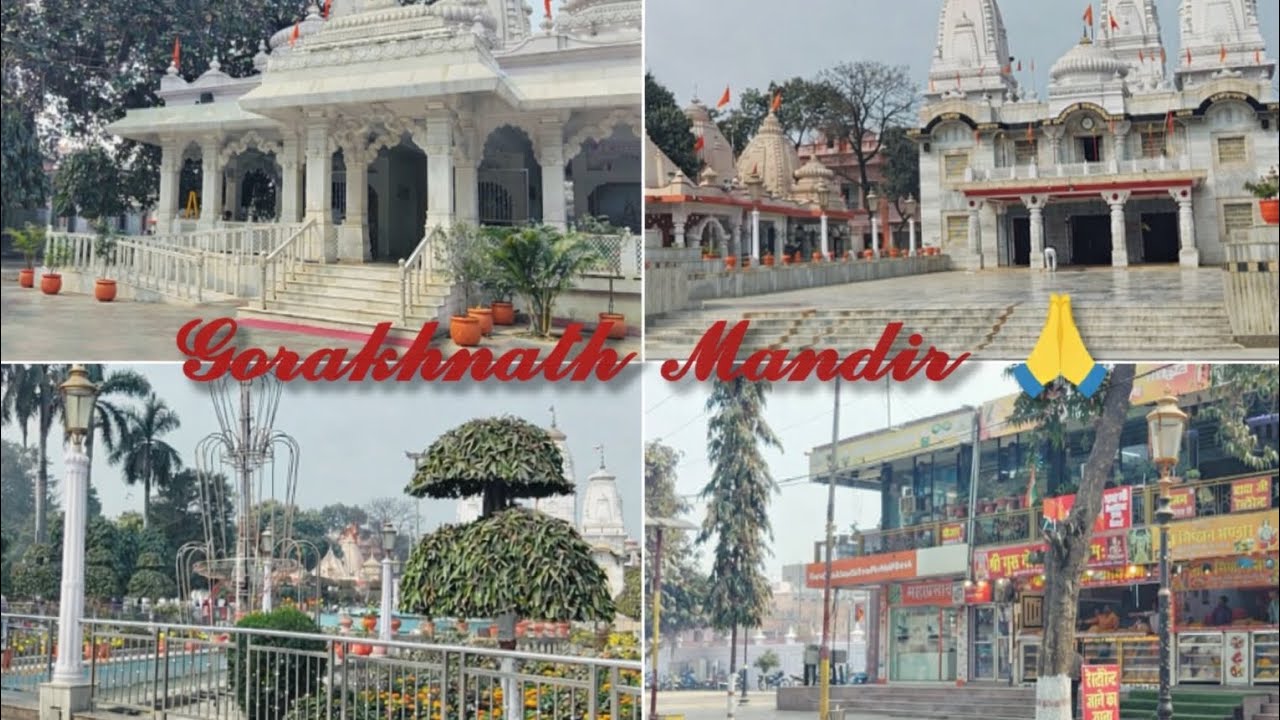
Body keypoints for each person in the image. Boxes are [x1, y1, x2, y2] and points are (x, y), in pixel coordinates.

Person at [1070, 650, 1083, 719]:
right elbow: (1082, 670)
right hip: (1075, 680)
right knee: (1074, 698)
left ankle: (1067, 713)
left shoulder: (1067, 657)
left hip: (1067, 680)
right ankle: (1073, 715)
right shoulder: (1079, 657)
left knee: (1067, 697)